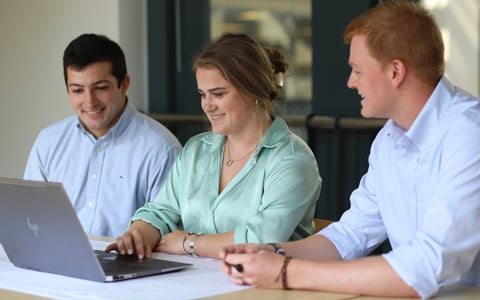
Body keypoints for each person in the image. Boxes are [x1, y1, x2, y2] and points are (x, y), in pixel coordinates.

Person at [219, 1, 480, 298]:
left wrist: (284, 272)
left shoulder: (470, 134)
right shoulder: (388, 141)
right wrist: (272, 252)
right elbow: (350, 236)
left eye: (357, 70)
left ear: (395, 72)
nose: (350, 82)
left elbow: (426, 265)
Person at [106, 33, 321, 260]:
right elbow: (162, 211)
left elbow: (261, 239)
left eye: (218, 94)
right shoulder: (196, 150)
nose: (207, 106)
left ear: (253, 90)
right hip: (195, 284)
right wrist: (138, 234)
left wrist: (189, 243)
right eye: (202, 94)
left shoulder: (292, 160)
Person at [24, 33, 182, 238]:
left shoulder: (161, 149)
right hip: (56, 263)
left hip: (129, 265)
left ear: (124, 84)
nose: (89, 102)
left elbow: (167, 231)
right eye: (78, 90)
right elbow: (31, 218)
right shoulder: (48, 142)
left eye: (100, 88)